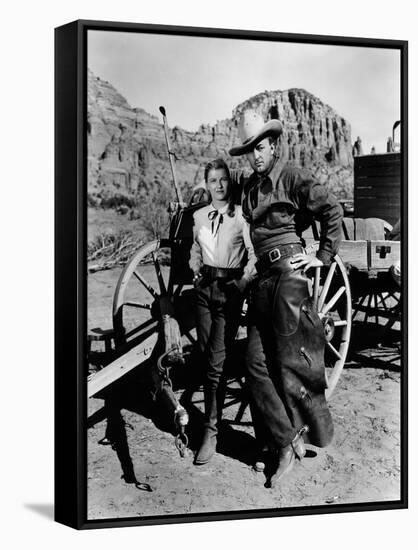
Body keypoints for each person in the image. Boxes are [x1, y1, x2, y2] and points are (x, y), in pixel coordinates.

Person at [229, 110, 343, 487]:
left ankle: (292, 443)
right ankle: (285, 440)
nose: (256, 156)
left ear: (273, 145)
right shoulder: (247, 189)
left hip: (289, 278)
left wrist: (321, 256)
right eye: (250, 150)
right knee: (253, 363)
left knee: (290, 364)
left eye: (261, 148)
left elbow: (331, 210)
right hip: (263, 281)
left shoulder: (291, 175)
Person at [189, 158, 256, 465]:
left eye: (223, 180)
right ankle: (210, 422)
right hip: (204, 290)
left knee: (215, 363)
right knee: (204, 355)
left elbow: (253, 256)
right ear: (207, 184)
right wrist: (194, 270)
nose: (218, 185)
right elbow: (195, 249)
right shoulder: (200, 215)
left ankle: (210, 432)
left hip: (228, 292)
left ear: (230, 183)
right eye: (212, 180)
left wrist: (241, 283)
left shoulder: (241, 216)